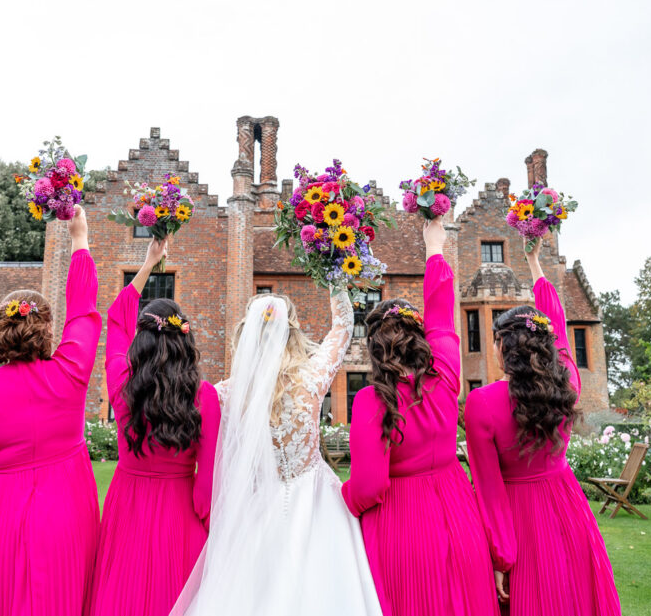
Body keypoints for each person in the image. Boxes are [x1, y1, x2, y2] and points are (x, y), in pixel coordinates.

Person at [172, 286, 382, 615]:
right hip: (318, 503)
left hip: (257, 508)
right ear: (292, 334)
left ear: (247, 334)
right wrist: (333, 274)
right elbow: (343, 325)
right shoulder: (312, 379)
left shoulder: (226, 393)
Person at [0, 206, 103, 616]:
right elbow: (83, 310)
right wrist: (80, 241)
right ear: (48, 329)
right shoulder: (70, 374)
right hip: (62, 518)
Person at [342, 216, 498, 616]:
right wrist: (434, 248)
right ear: (419, 336)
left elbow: (367, 487)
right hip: (458, 512)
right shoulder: (446, 372)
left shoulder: (370, 400)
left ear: (377, 346)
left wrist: (339, 496)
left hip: (401, 527)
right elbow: (443, 312)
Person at [464, 237, 621, 615]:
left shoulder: (482, 403)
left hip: (519, 517)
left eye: (498, 341)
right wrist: (535, 262)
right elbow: (559, 323)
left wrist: (500, 560)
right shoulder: (566, 383)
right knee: (573, 593)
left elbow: (489, 490)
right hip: (566, 503)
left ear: (506, 346)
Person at [88, 238, 220, 616]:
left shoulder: (120, 378)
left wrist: (147, 265)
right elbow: (207, 484)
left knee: (122, 594)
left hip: (126, 502)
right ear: (186, 340)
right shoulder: (204, 396)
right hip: (180, 512)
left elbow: (116, 320)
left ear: (142, 340)